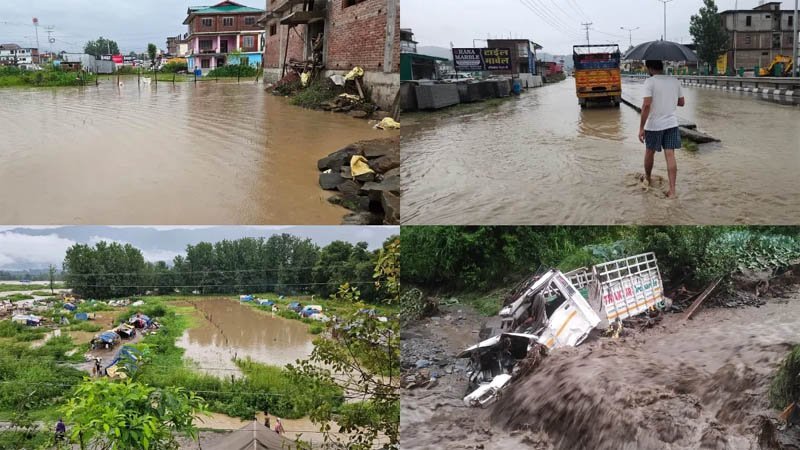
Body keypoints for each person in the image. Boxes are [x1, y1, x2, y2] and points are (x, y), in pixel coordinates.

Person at [638, 59, 685, 199]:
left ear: (649, 68)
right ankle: (672, 190)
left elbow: (646, 105)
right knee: (670, 155)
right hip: (671, 124)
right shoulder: (674, 80)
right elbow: (681, 102)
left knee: (649, 152)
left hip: (654, 125)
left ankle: (648, 178)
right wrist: (669, 99)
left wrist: (641, 128)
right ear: (661, 66)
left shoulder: (649, 82)